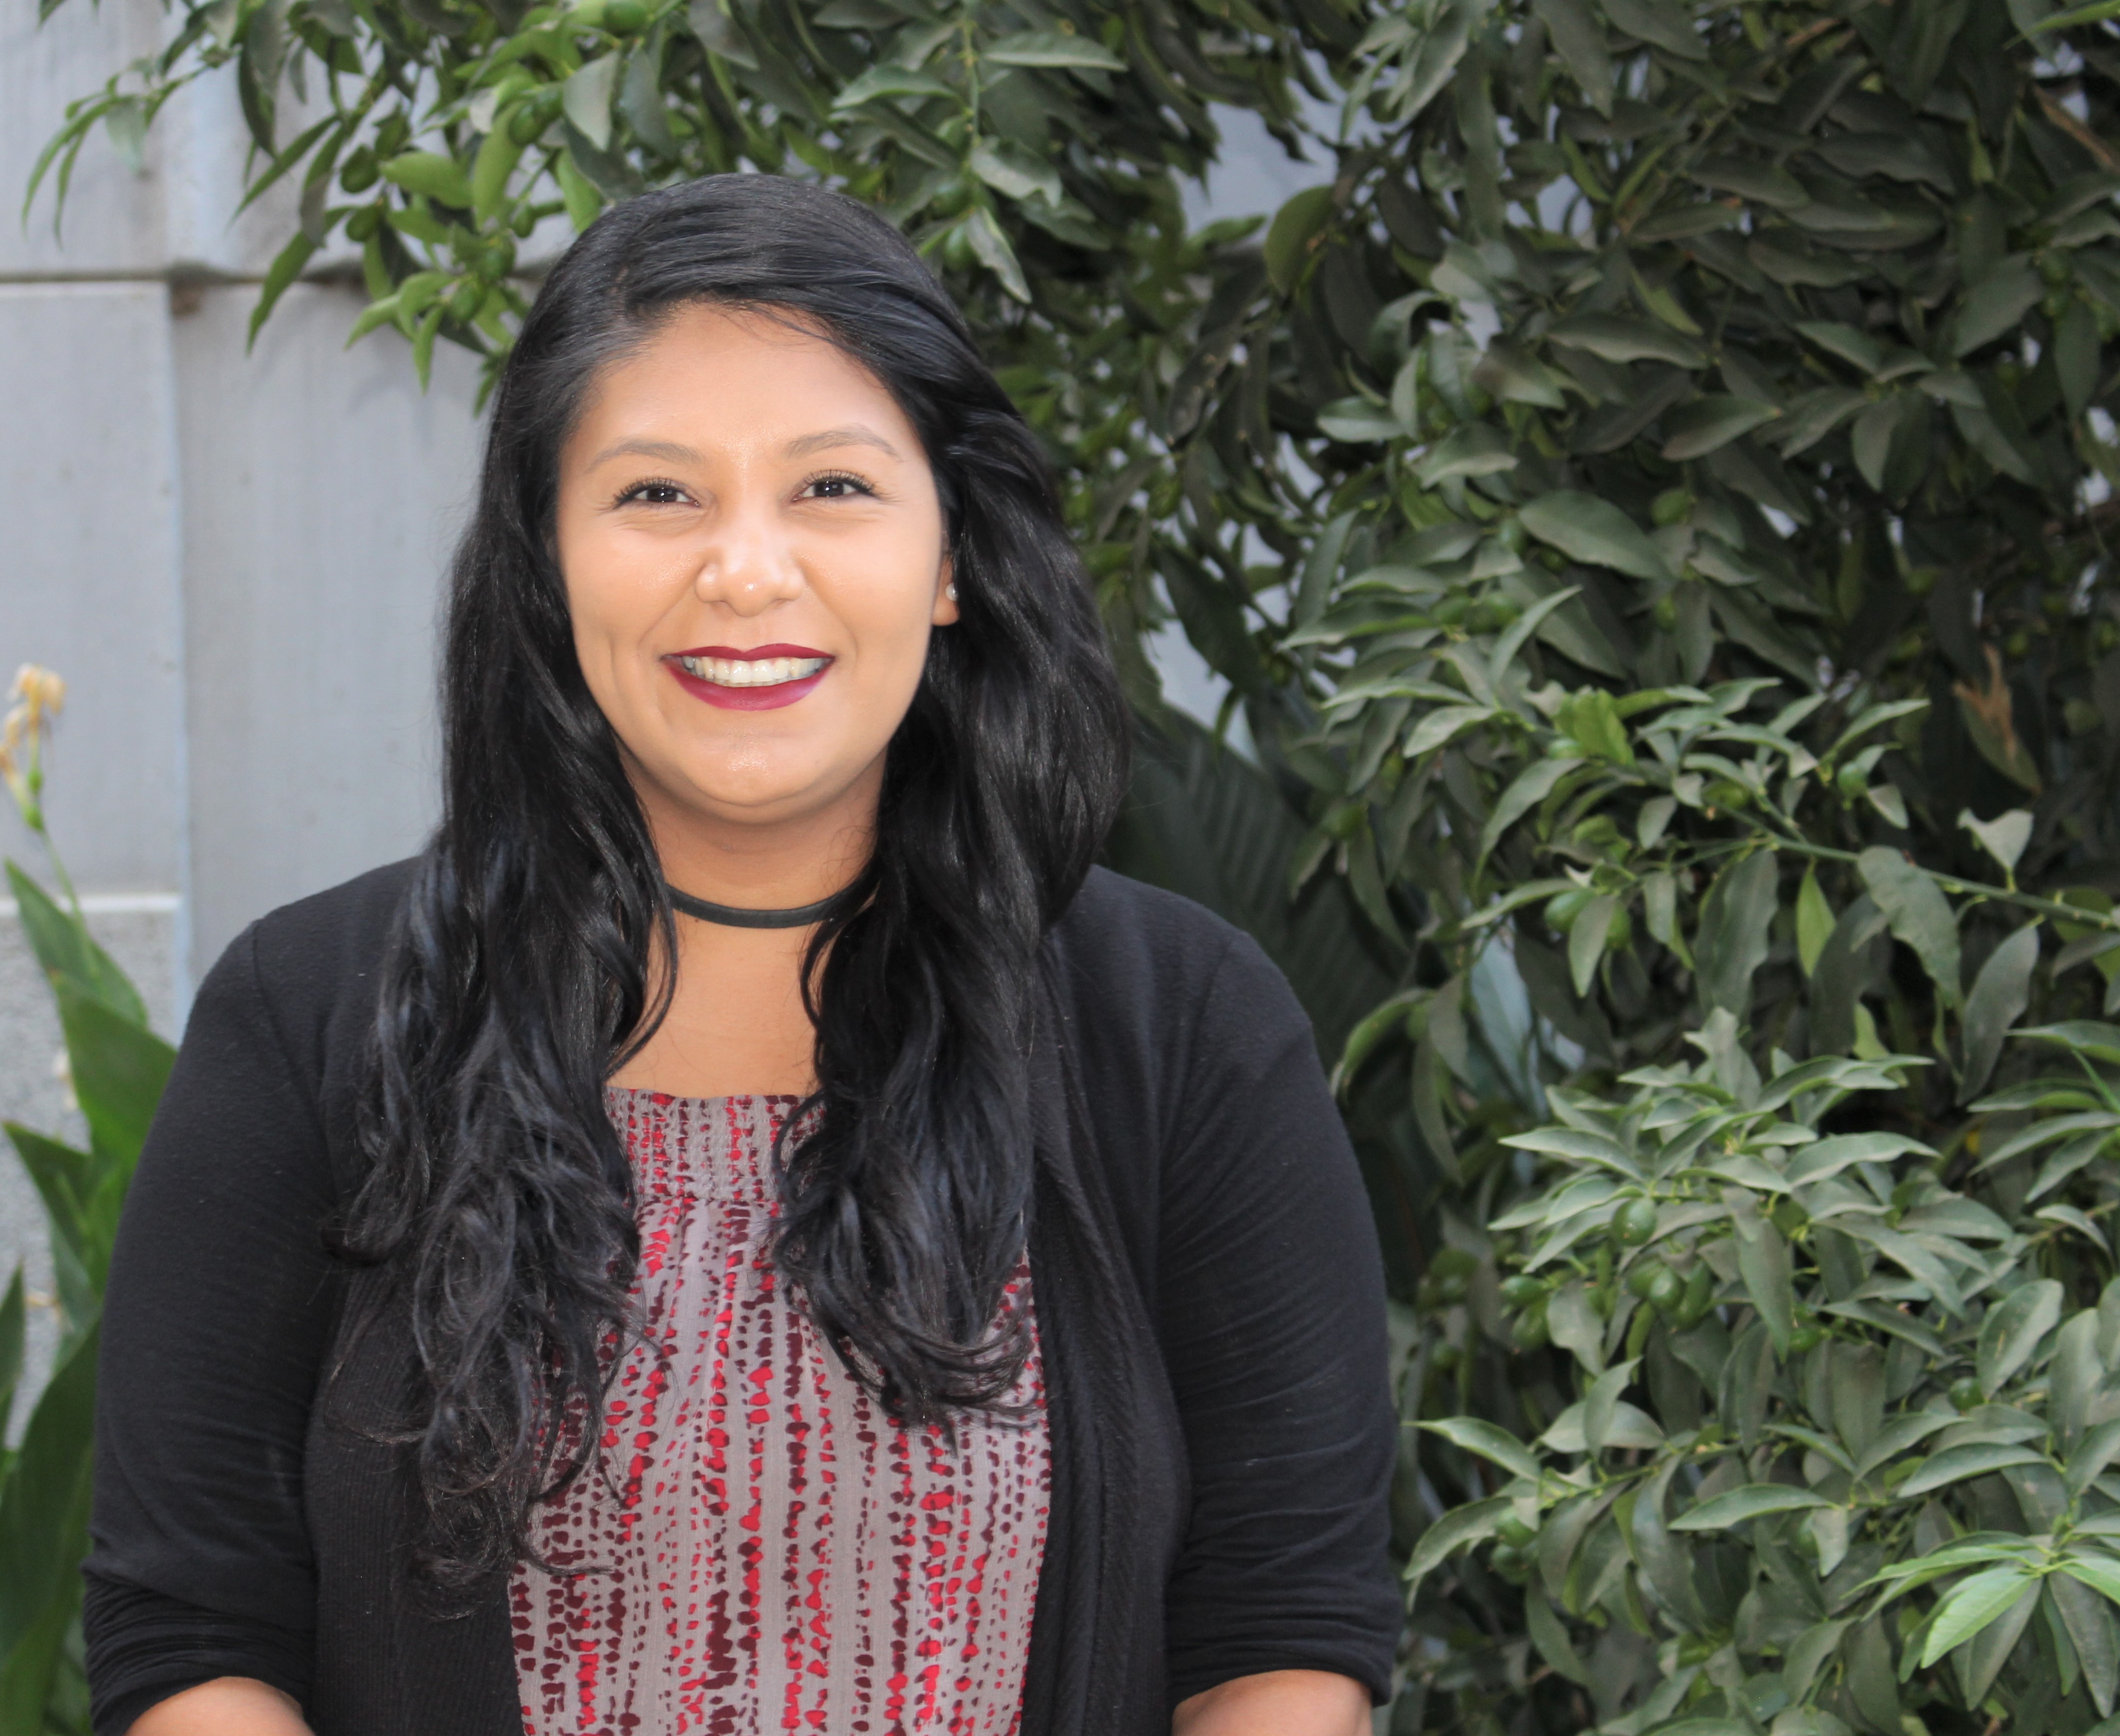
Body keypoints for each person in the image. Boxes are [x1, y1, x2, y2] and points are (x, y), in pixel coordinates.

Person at [82, 172, 1401, 1736]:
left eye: (833, 487)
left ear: (952, 555)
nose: (748, 572)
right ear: (548, 559)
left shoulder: (1179, 1026)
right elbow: (193, 1627)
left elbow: (1282, 1629)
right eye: (659, 495)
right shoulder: (314, 1018)